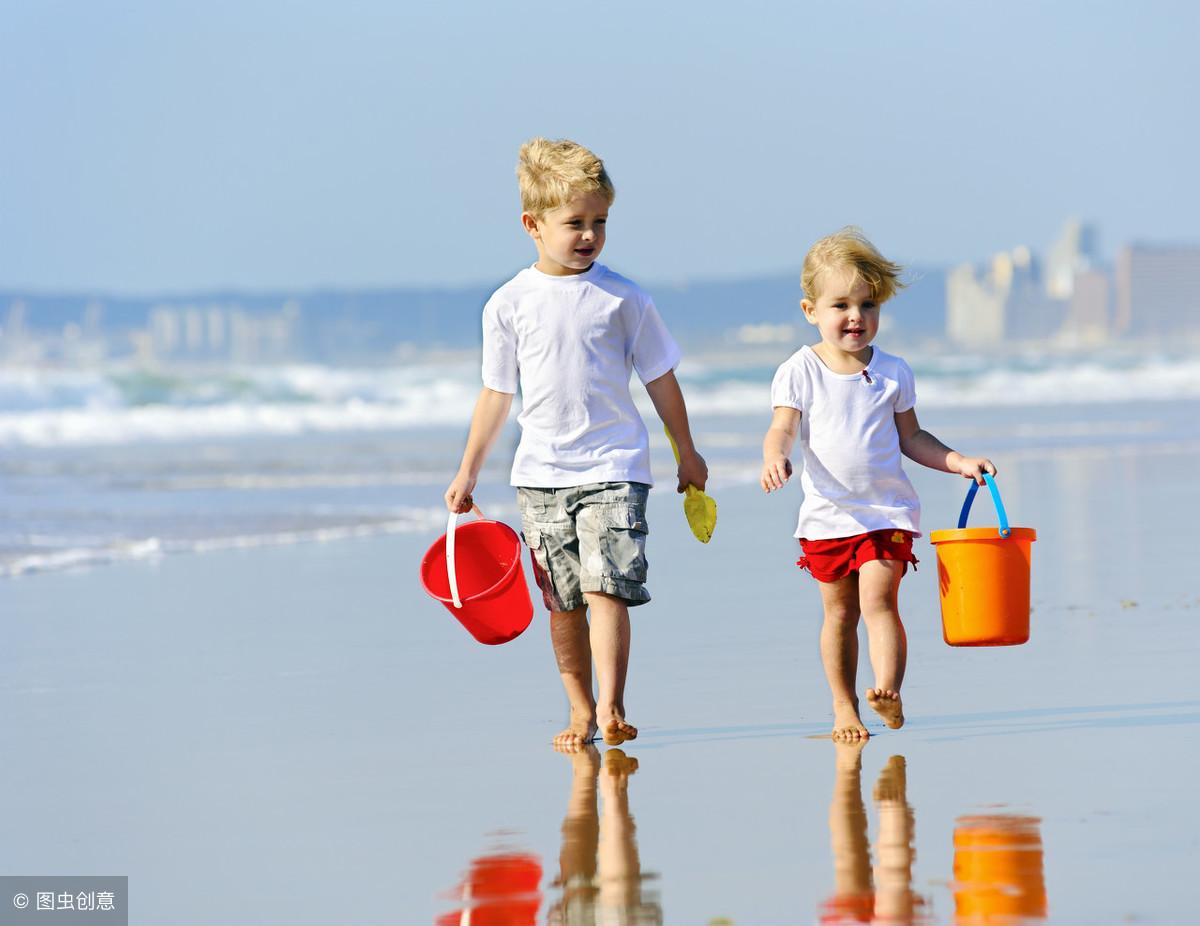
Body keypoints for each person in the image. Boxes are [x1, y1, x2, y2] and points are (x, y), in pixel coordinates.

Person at [445, 137, 708, 748]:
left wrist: (685, 451)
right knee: (563, 601)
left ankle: (613, 707)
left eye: (600, 222)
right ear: (532, 225)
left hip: (615, 466)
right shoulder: (508, 304)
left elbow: (661, 379)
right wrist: (468, 472)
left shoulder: (624, 298)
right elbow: (495, 396)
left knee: (606, 586)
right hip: (540, 475)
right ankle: (580, 710)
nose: (589, 235)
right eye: (575, 223)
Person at [760, 227, 995, 741]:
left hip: (887, 512)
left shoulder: (893, 372)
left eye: (868, 306)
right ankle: (844, 706)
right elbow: (783, 426)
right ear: (810, 310)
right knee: (839, 613)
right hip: (826, 517)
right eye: (840, 305)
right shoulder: (799, 370)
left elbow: (911, 437)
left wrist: (957, 461)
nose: (855, 317)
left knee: (878, 601)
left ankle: (887, 691)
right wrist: (774, 456)